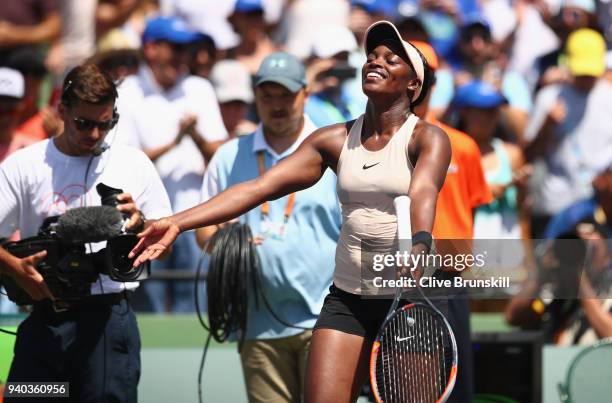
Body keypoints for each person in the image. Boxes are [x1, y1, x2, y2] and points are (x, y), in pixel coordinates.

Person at [130, 20, 451, 402]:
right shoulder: (332, 139)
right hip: (348, 296)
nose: (375, 62)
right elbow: (256, 188)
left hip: (409, 292)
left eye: (391, 59)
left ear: (413, 85)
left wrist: (419, 242)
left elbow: (424, 190)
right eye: (372, 56)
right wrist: (175, 222)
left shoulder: (428, 138)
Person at [0, 63, 172, 402]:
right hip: (45, 319)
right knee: (28, 396)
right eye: (84, 123)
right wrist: (14, 268)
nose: (94, 133)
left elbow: (164, 241)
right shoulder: (24, 164)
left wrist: (141, 228)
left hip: (109, 319)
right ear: (62, 110)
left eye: (105, 124)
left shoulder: (133, 163)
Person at [197, 52, 341, 403]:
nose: (276, 105)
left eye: (286, 95)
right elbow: (204, 233)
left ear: (305, 94)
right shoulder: (229, 156)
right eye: (267, 96)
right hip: (257, 325)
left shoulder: (335, 152)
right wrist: (230, 241)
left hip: (326, 321)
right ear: (255, 98)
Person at [117, 15, 228, 312]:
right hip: (145, 220)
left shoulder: (199, 88)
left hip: (193, 217)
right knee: (148, 311)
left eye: (185, 49)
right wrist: (176, 142)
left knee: (194, 310)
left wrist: (195, 136)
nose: (182, 57)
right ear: (151, 49)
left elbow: (219, 156)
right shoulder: (126, 92)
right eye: (175, 48)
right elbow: (124, 164)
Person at [412, 41, 493, 403]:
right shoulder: (379, 145)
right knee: (410, 383)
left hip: (449, 276)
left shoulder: (463, 146)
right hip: (400, 274)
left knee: (456, 383)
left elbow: (469, 210)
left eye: (422, 77)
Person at [524, 28, 612, 237]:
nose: (586, 79)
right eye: (581, 73)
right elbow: (528, 155)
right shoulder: (548, 98)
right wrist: (547, 125)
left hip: (602, 208)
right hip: (556, 207)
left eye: (591, 73)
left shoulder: (609, 98)